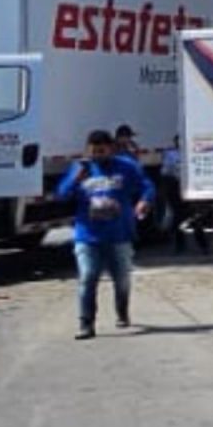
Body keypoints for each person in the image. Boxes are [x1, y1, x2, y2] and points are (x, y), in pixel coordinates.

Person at [56, 130, 155, 340]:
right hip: (87, 236)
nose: (97, 155)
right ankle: (86, 324)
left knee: (122, 279)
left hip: (119, 235)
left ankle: (122, 310)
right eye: (93, 151)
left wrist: (144, 201)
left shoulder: (126, 166)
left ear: (111, 149)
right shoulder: (80, 168)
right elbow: (61, 195)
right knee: (87, 277)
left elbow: (147, 186)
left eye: (101, 150)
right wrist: (75, 180)